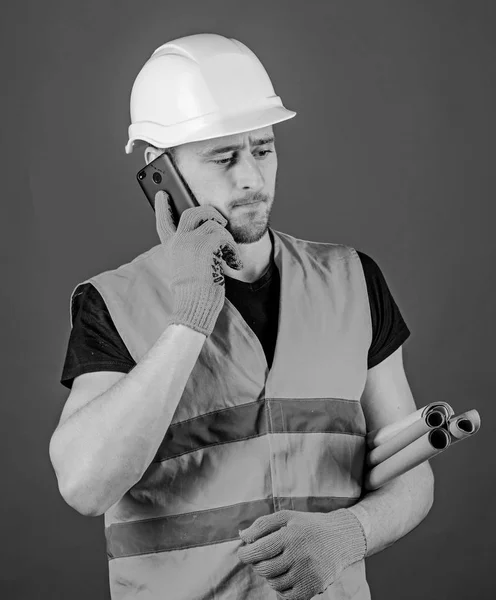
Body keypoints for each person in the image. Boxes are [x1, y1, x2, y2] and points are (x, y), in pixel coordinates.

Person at [49, 33, 434, 600]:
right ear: (163, 175)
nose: (251, 178)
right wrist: (189, 320)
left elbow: (412, 473)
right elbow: (85, 485)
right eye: (224, 158)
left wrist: (347, 534)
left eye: (263, 148)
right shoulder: (115, 302)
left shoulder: (352, 280)